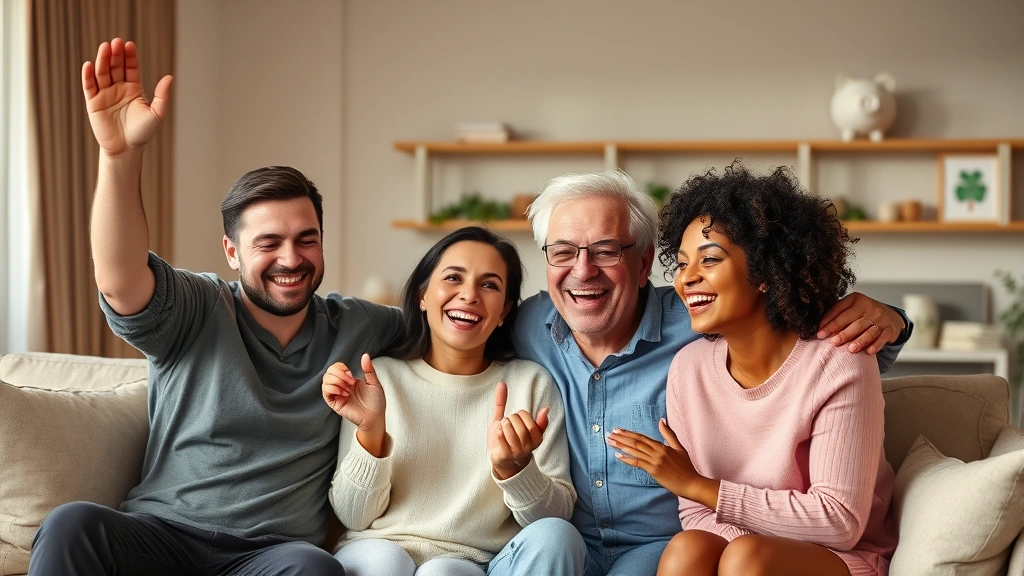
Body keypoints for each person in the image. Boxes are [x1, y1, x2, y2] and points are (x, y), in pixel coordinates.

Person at [29, 38, 402, 575]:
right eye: (268, 243)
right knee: (71, 525)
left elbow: (452, 319)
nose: (291, 258)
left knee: (315, 568)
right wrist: (119, 156)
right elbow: (118, 277)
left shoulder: (360, 324)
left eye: (307, 238)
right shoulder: (197, 307)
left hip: (270, 554)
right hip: (161, 535)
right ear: (231, 251)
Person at [512, 169, 910, 576]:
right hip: (676, 545)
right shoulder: (687, 360)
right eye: (562, 252)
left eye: (606, 250)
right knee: (694, 549)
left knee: (742, 558)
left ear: (643, 261)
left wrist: (893, 321)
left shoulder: (694, 323)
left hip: (823, 553)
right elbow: (462, 334)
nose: (582, 270)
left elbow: (819, 354)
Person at [322, 226, 584, 576]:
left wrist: (517, 468)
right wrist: (371, 432)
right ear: (422, 295)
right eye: (453, 278)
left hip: (473, 562)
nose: (469, 295)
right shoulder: (378, 379)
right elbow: (354, 515)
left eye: (489, 285)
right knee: (384, 563)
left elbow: (553, 519)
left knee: (449, 571)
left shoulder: (530, 384)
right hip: (376, 550)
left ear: (504, 311)